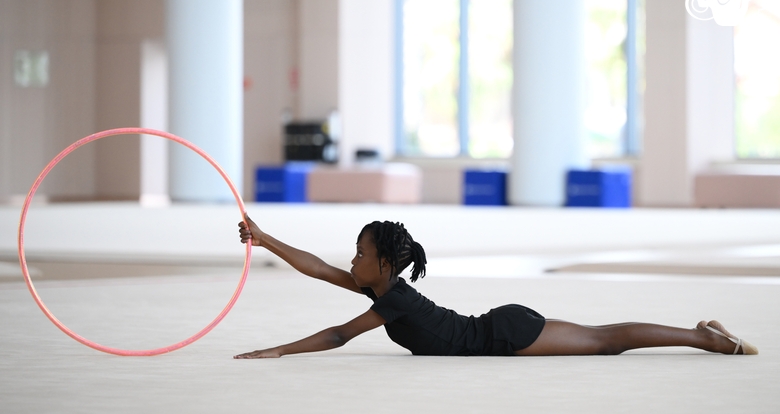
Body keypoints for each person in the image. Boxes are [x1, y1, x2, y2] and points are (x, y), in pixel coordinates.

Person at [233, 217, 758, 359]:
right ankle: (698, 335)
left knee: (606, 340)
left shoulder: (391, 299)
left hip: (504, 333)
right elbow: (318, 269)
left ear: (386, 264)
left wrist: (279, 349)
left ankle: (702, 337)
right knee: (605, 339)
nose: (352, 261)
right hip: (498, 328)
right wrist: (263, 239)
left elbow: (338, 336)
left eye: (361, 254)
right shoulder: (379, 288)